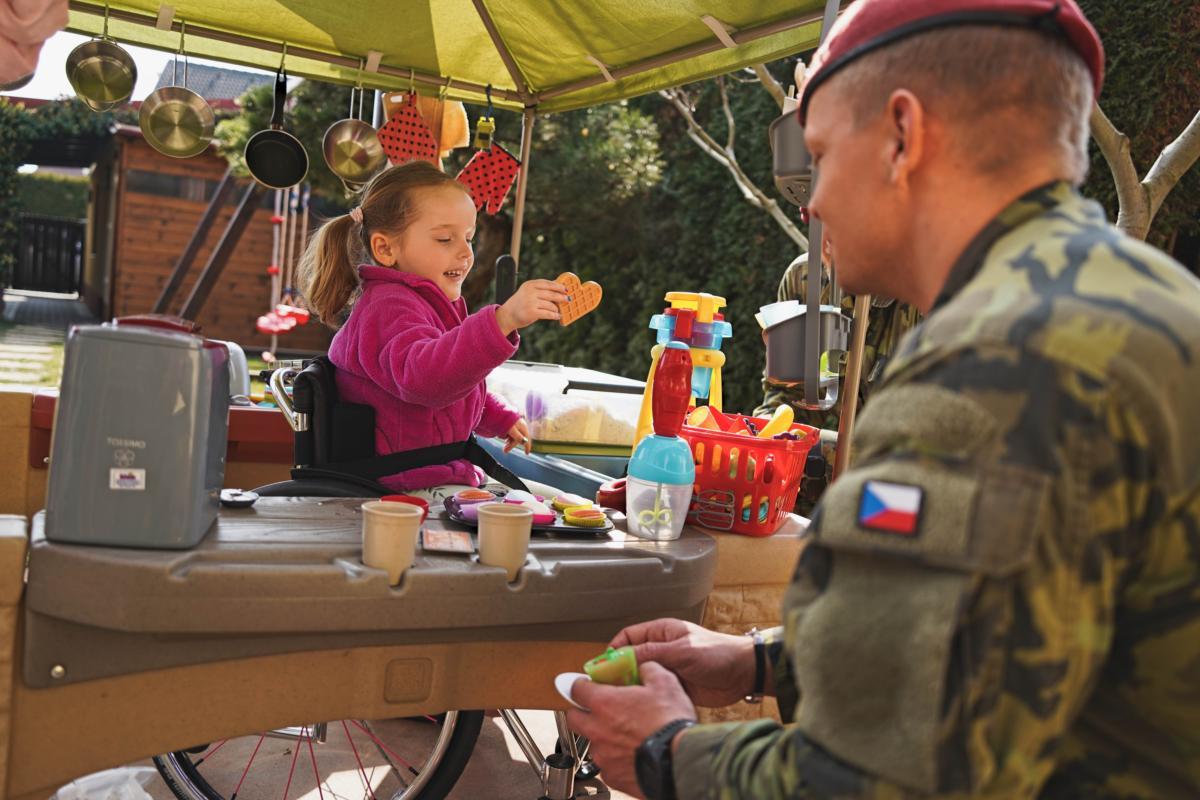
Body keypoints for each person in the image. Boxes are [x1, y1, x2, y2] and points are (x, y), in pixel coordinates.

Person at [567, 1, 1200, 798]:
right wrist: (762, 660)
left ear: (903, 134)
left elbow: (883, 775)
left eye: (823, 154)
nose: (813, 203)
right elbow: (1002, 639)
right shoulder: (1162, 309)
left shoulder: (981, 372)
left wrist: (667, 756)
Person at [299, 160, 568, 497]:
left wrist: (498, 417)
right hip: (401, 488)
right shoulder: (388, 307)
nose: (466, 252)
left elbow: (454, 384)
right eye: (445, 239)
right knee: (552, 510)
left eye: (469, 237)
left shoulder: (425, 303)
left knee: (557, 505)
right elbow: (427, 380)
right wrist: (503, 321)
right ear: (386, 249)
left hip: (434, 475)